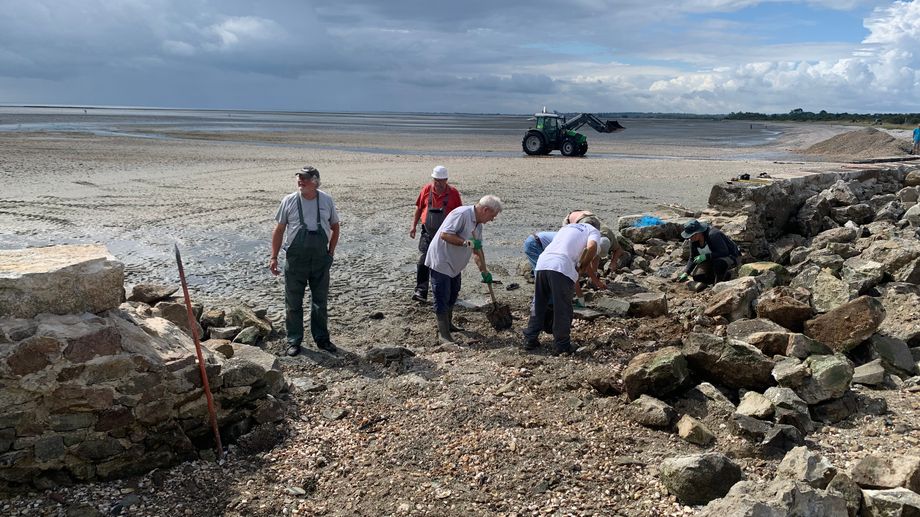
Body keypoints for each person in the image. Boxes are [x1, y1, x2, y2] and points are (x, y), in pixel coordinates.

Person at [270, 166, 341, 357]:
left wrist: (330, 253)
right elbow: (279, 230)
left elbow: (335, 226)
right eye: (299, 178)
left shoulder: (326, 200)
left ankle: (322, 339)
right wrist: (274, 257)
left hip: (320, 260)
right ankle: (294, 340)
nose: (300, 181)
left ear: (316, 181)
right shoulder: (289, 200)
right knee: (293, 302)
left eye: (305, 178)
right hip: (296, 261)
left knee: (320, 302)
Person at [425, 195, 503, 344]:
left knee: (453, 293)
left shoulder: (478, 225)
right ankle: (443, 334)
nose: (492, 220)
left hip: (455, 265)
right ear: (485, 209)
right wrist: (467, 243)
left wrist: (484, 271)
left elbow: (477, 251)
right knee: (442, 296)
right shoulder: (461, 214)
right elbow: (445, 235)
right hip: (442, 260)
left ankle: (449, 325)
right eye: (492, 216)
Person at [522, 222, 604, 355]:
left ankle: (530, 339)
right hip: (561, 266)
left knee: (539, 303)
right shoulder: (593, 230)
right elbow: (592, 247)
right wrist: (582, 268)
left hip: (543, 263)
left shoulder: (567, 228)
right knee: (563, 307)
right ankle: (562, 344)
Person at [409, 165, 462, 302]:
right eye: (435, 180)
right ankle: (421, 291)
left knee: (448, 262)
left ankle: (452, 292)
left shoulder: (453, 194)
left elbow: (460, 215)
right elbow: (419, 208)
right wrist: (413, 226)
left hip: (446, 235)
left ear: (446, 180)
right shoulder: (426, 190)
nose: (437, 183)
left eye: (441, 180)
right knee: (423, 260)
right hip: (428, 232)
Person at [523, 231, 611, 306]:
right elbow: (573, 275)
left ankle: (548, 303)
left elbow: (585, 265)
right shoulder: (578, 249)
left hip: (538, 241)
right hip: (535, 244)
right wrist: (580, 298)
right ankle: (546, 307)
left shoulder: (586, 242)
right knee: (545, 278)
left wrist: (596, 281)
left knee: (550, 277)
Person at [676, 219, 740, 286]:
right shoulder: (693, 241)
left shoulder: (713, 235)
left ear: (699, 232)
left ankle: (718, 285)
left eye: (691, 235)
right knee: (698, 277)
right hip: (712, 258)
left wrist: (706, 256)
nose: (690, 238)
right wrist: (686, 272)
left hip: (730, 256)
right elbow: (692, 258)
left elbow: (724, 252)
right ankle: (725, 276)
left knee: (718, 264)